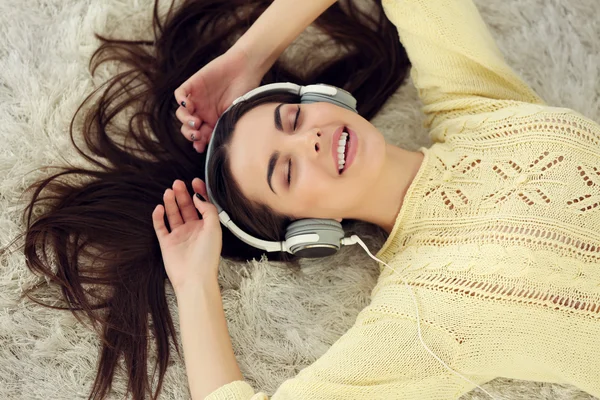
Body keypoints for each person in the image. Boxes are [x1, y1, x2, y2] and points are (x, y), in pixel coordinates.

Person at [7, 1, 599, 400]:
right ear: (308, 233)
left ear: (326, 97)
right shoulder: (423, 312)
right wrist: (194, 284)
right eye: (285, 171)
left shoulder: (476, 104)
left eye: (292, 117)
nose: (309, 139)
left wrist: (249, 56)